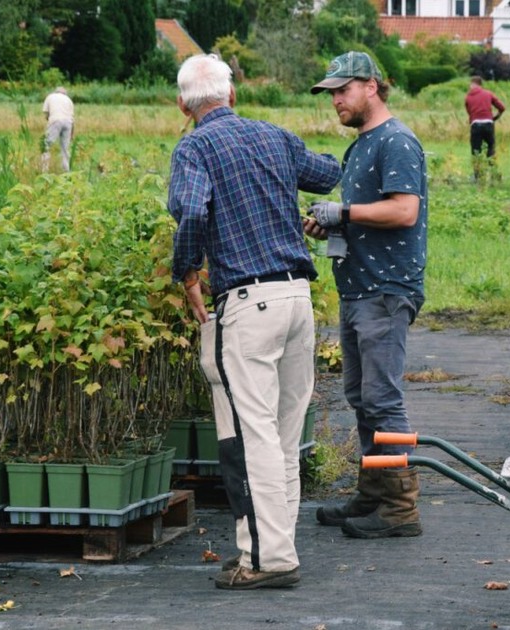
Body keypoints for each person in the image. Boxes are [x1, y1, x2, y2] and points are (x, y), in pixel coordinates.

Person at [167, 54, 342, 590]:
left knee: (252, 437)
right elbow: (330, 172)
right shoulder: (276, 137)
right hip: (297, 299)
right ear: (232, 95)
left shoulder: (194, 148)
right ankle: (268, 548)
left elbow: (193, 211)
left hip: (248, 306)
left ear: (182, 105)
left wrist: (187, 272)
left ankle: (270, 560)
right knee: (284, 435)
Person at [305, 51, 428, 540]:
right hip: (357, 286)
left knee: (383, 399)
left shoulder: (396, 141)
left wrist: (346, 213)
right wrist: (330, 224)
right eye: (332, 93)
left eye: (342, 90)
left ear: (371, 86)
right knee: (361, 397)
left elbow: (403, 212)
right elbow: (359, 214)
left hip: (385, 287)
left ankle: (400, 507)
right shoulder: (361, 145)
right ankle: (374, 491)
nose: (335, 100)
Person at [463, 75, 506, 182]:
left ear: (473, 84)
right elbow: (502, 107)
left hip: (476, 125)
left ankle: (477, 176)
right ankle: (494, 174)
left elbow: (469, 113)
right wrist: (495, 117)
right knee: (491, 149)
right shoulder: (488, 93)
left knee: (476, 151)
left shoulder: (468, 97)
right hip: (488, 124)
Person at [41, 86, 75, 172]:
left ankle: (44, 169)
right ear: (64, 93)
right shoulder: (68, 100)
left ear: (56, 92)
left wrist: (51, 125)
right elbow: (72, 119)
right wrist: (72, 135)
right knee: (65, 148)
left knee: (46, 145)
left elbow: (46, 114)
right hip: (68, 123)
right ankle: (66, 171)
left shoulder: (50, 97)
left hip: (55, 120)